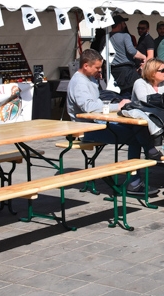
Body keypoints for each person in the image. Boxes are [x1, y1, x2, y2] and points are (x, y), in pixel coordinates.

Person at [67, 49, 159, 196]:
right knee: (135, 137)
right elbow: (88, 107)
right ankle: (136, 180)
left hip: (96, 123)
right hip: (87, 129)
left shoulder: (89, 78)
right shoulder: (79, 82)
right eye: (97, 67)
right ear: (85, 65)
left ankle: (148, 154)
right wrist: (117, 106)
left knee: (134, 128)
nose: (99, 70)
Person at [109, 14, 145, 97]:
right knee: (129, 95)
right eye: (123, 23)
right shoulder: (125, 36)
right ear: (119, 24)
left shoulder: (106, 37)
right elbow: (132, 51)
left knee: (116, 95)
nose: (125, 25)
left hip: (113, 70)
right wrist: (143, 57)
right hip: (126, 71)